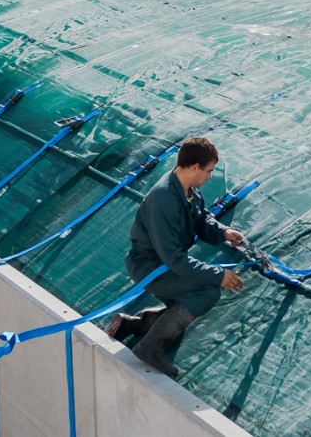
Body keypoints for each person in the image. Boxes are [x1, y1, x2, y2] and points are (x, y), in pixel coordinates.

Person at [103, 137, 248, 378]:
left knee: (186, 303)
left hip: (164, 263)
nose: (210, 177)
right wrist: (218, 275)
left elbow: (200, 219)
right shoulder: (164, 199)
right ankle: (150, 348)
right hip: (151, 267)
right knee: (206, 292)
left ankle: (133, 324)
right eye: (209, 170)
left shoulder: (188, 190)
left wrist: (224, 231)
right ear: (194, 167)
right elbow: (174, 258)